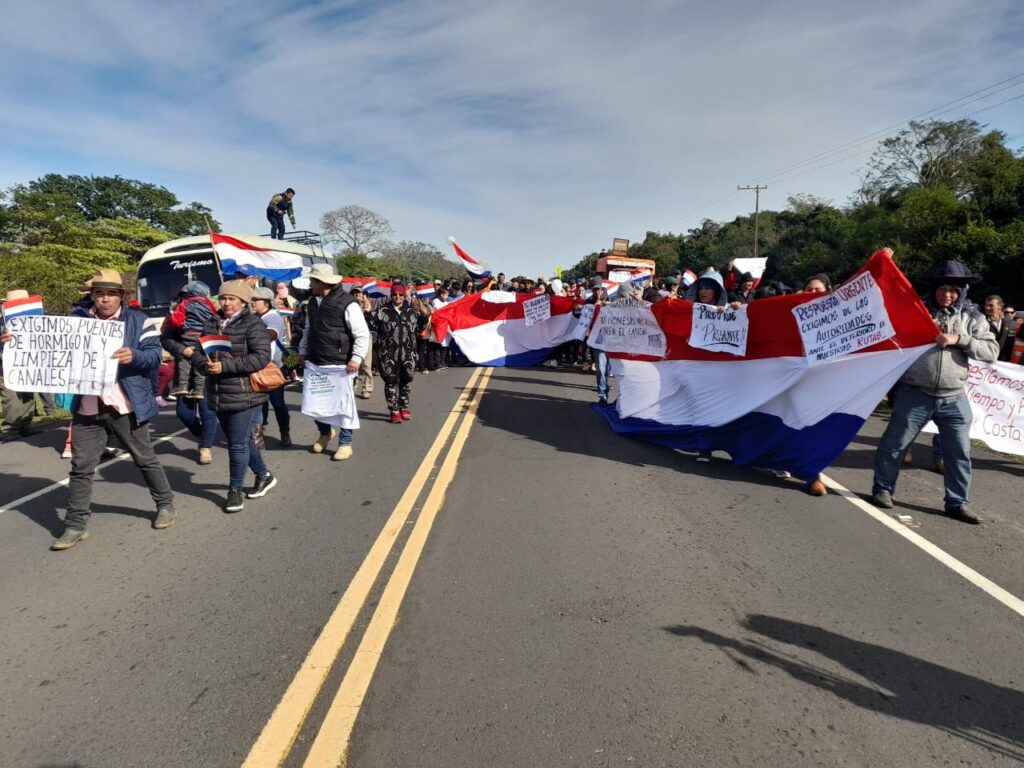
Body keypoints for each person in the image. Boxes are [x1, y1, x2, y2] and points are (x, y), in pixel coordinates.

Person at [16, 270, 175, 549]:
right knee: (80, 468)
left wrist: (133, 355)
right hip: (88, 407)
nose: (105, 299)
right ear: (91, 295)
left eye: (111, 294)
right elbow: (47, 350)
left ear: (121, 297)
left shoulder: (140, 321)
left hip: (125, 405)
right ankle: (75, 524)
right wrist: (15, 342)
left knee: (144, 458)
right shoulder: (74, 321)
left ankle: (165, 504)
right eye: (99, 293)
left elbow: (153, 356)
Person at [871, 261, 998, 524]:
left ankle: (957, 503)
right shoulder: (915, 311)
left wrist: (959, 340)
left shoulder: (972, 317)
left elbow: (991, 352)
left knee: (959, 452)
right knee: (895, 445)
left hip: (954, 396)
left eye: (953, 289)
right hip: (914, 392)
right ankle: (883, 489)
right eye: (942, 288)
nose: (947, 294)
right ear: (934, 288)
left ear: (962, 290)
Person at [197, 279, 277, 512]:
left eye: (232, 298)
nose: (227, 302)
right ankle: (264, 475)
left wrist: (226, 367)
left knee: (236, 442)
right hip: (217, 392)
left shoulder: (253, 324)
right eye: (223, 298)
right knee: (241, 439)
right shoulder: (212, 322)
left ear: (243, 301)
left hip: (246, 392)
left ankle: (234, 491)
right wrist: (204, 365)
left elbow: (262, 357)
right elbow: (199, 352)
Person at [298, 263, 370, 458]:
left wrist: (356, 358)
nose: (310, 284)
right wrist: (303, 350)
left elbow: (362, 334)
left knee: (344, 405)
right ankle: (325, 433)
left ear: (322, 282)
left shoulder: (348, 303)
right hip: (316, 361)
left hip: (341, 364)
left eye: (313, 281)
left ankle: (345, 443)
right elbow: (308, 329)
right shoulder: (312, 302)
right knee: (315, 403)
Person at [369, 283, 420, 423]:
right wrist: (367, 312)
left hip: (408, 353)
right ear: (390, 295)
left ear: (404, 295)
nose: (397, 297)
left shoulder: (412, 312)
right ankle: (394, 410)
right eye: (394, 294)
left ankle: (404, 407)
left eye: (400, 294)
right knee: (391, 382)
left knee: (406, 381)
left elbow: (420, 328)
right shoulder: (382, 311)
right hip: (388, 353)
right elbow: (371, 327)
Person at [251, 286, 292, 447]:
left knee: (277, 402)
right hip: (256, 365)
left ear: (266, 303)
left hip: (273, 367)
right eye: (252, 300)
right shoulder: (254, 317)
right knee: (259, 403)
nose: (252, 303)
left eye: (256, 300)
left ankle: (285, 432)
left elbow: (269, 336)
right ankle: (258, 435)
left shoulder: (273, 317)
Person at [166, 280, 216, 398]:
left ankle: (182, 385)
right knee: (200, 360)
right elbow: (214, 317)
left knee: (184, 359)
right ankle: (199, 389)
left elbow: (177, 320)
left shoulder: (185, 303)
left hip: (189, 334)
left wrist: (180, 327)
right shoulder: (209, 304)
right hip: (204, 336)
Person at [0, 289, 39, 440]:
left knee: (28, 394)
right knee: (11, 396)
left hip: (27, 361)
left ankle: (25, 425)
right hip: (6, 363)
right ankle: (11, 429)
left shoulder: (33, 318)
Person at [587, 277, 612, 404]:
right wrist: (577, 309)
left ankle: (605, 387)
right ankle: (602, 395)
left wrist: (604, 304)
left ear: (603, 289)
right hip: (598, 340)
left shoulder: (611, 298)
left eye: (599, 289)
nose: (597, 292)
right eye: (595, 290)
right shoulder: (589, 301)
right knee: (601, 369)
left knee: (608, 369)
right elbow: (582, 316)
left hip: (612, 340)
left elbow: (622, 305)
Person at [982, 295, 1013, 361]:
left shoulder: (1009, 322)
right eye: (986, 305)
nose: (987, 308)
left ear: (1000, 307)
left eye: (991, 305)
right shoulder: (981, 321)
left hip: (1006, 361)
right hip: (987, 359)